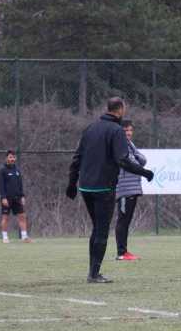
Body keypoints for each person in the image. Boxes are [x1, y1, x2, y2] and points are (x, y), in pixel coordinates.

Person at [66, 97, 154, 283]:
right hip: (103, 187)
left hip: (85, 187)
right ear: (121, 109)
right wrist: (144, 172)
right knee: (102, 230)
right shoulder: (116, 130)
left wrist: (72, 184)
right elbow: (123, 159)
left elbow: (76, 159)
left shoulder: (90, 128)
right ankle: (93, 274)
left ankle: (92, 272)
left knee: (97, 228)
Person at [115, 120, 147, 261]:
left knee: (126, 221)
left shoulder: (130, 144)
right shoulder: (120, 146)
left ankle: (124, 252)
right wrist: (137, 159)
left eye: (130, 130)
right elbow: (134, 162)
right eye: (125, 130)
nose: (128, 133)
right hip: (124, 188)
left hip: (132, 188)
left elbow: (142, 160)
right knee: (122, 221)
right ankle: (121, 253)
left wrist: (137, 158)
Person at [0, 149, 32, 243]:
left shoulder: (17, 170)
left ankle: (24, 237)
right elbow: (1, 186)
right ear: (7, 158)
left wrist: (22, 196)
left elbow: (20, 184)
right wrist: (3, 197)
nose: (12, 159)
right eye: (10, 157)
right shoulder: (2, 170)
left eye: (13, 157)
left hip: (17, 198)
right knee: (5, 217)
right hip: (7, 198)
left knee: (22, 216)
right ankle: (5, 238)